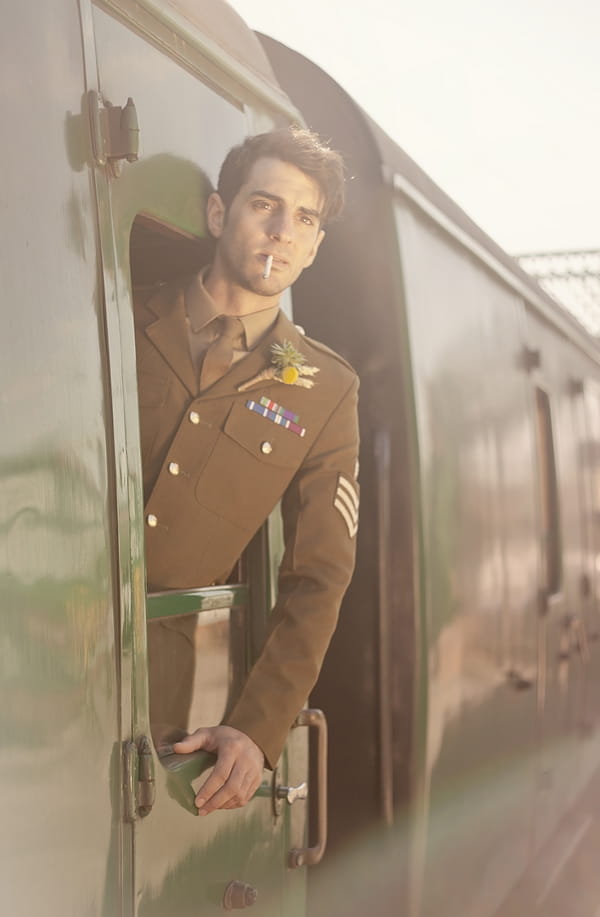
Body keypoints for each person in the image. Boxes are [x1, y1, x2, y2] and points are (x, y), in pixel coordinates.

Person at [135, 127, 359, 816]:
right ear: (217, 213)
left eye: (305, 218)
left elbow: (319, 575)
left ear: (316, 245)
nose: (282, 231)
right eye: (265, 204)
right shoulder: (118, 309)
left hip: (159, 714)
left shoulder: (327, 388)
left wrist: (257, 728)